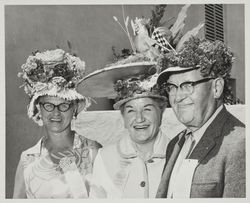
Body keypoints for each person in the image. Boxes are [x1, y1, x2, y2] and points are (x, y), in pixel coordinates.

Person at [155, 37, 245, 198]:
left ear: (216, 88)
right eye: (172, 87)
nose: (178, 97)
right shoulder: (175, 144)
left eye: (188, 85)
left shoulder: (240, 144)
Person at [13, 49, 101, 198]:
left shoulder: (93, 151)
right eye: (48, 105)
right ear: (39, 109)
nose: (56, 113)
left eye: (64, 105)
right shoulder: (27, 159)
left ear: (74, 108)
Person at [81, 66, 170, 198]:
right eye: (131, 111)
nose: (139, 118)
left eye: (147, 109)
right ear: (123, 118)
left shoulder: (178, 154)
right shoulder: (106, 157)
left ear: (161, 112)